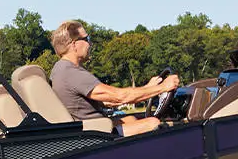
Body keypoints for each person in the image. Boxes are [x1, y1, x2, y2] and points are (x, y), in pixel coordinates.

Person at [49, 21, 178, 136]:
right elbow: (119, 96)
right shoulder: (71, 73)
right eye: (86, 39)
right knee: (153, 123)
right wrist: (163, 87)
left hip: (94, 129)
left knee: (131, 119)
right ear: (74, 44)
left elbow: (108, 101)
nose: (90, 43)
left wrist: (148, 88)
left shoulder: (61, 69)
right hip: (96, 136)